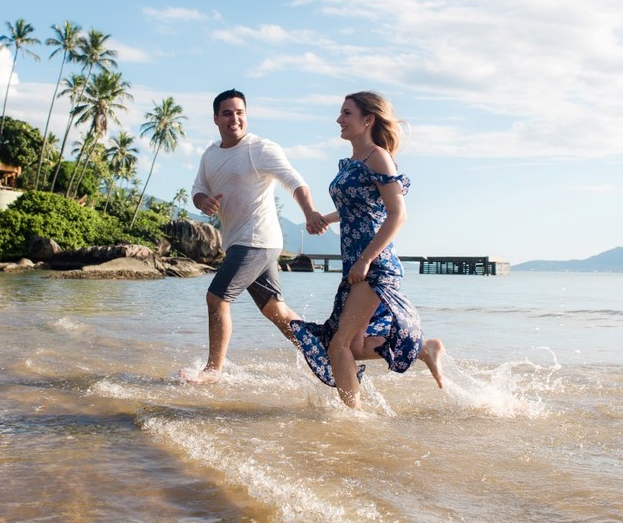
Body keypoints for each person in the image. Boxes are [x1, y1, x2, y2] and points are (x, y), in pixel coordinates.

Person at [289, 91, 444, 408]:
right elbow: (358, 208)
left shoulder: (378, 156)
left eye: (346, 113)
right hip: (356, 264)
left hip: (374, 264)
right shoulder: (354, 162)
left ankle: (352, 417)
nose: (339, 120)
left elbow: (397, 214)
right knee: (355, 345)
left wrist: (366, 259)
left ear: (368, 119)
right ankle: (425, 350)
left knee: (338, 345)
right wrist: (325, 219)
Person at [186, 89, 328, 382]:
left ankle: (213, 371)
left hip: (256, 240)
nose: (234, 118)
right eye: (227, 113)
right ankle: (324, 352)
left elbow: (294, 181)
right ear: (215, 118)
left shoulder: (260, 148)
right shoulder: (210, 155)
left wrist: (310, 211)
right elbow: (197, 189)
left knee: (216, 298)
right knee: (275, 311)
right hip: (243, 242)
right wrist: (204, 202)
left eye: (240, 112)